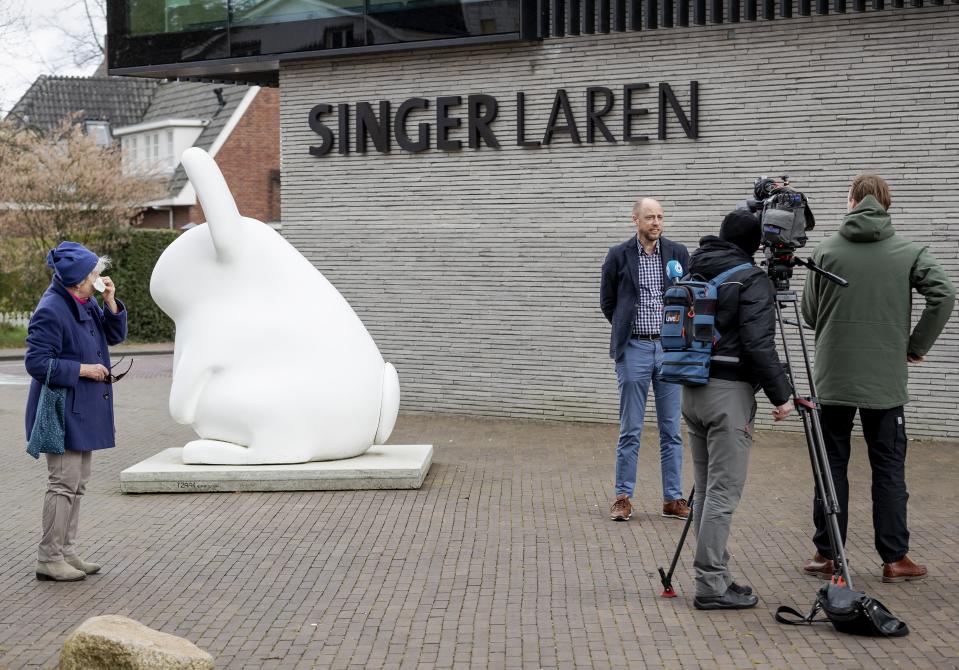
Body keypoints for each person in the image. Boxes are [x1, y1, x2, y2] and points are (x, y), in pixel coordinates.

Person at [800, 175, 955, 583]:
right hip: (885, 382)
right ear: (886, 204)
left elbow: (810, 315)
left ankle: (826, 554)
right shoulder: (908, 252)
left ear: (851, 201)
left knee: (831, 464)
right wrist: (916, 345)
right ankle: (894, 559)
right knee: (887, 467)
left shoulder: (826, 250)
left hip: (832, 378)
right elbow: (944, 293)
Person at [682, 210, 794, 610]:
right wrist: (782, 396)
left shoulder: (696, 268)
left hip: (692, 392)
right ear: (755, 245)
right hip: (728, 397)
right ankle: (710, 585)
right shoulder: (752, 279)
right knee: (722, 494)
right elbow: (759, 345)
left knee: (708, 490)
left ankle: (718, 575)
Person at [25, 241, 127, 582]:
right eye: (94, 274)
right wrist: (84, 369)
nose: (98, 278)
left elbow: (113, 337)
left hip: (82, 408)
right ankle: (49, 557)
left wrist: (111, 302)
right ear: (77, 280)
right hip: (62, 410)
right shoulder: (52, 309)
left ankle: (66, 551)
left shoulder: (85, 300)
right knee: (63, 483)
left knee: (77, 483)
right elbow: (37, 363)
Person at [600, 197, 691, 522]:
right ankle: (623, 497)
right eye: (650, 217)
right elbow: (608, 303)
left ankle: (673, 499)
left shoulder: (678, 254)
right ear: (635, 220)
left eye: (660, 217)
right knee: (631, 429)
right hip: (634, 349)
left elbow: (689, 295)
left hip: (668, 350)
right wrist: (630, 329)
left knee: (672, 429)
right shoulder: (618, 255)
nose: (656, 222)